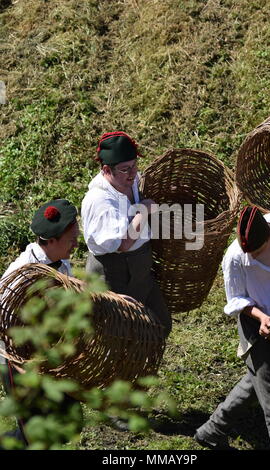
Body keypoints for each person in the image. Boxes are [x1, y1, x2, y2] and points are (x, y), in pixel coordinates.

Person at [194, 206, 270, 450]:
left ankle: (212, 430)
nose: (251, 256)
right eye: (247, 252)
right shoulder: (234, 257)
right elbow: (237, 300)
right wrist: (261, 317)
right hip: (259, 326)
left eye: (258, 251)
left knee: (262, 380)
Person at [0, 199, 82, 448]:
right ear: (53, 241)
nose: (76, 245)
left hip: (49, 355)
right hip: (17, 361)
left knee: (71, 422)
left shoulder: (60, 261)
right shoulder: (20, 275)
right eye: (71, 240)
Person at [81, 131, 172, 338]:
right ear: (106, 170)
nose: (132, 174)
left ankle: (144, 367)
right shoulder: (100, 201)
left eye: (134, 166)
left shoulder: (128, 180)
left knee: (161, 325)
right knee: (118, 336)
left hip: (139, 271)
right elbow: (123, 243)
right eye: (125, 169)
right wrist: (143, 210)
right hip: (114, 275)